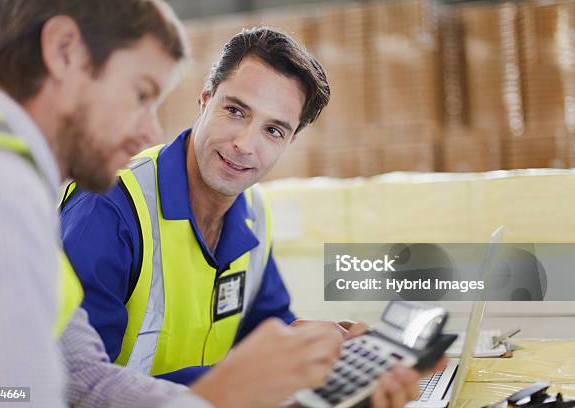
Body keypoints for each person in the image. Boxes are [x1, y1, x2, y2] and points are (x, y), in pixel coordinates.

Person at [0, 2, 350, 407]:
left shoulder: (20, 194)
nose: (151, 129)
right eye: (140, 94)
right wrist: (228, 389)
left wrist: (308, 355)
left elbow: (79, 377)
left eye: (273, 130)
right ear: (63, 51)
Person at [60, 26, 445, 407]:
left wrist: (314, 351)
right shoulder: (108, 206)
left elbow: (269, 328)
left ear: (290, 141)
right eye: (235, 111)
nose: (244, 144)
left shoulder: (253, 214)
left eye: (273, 130)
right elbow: (80, 388)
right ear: (205, 99)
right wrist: (247, 380)